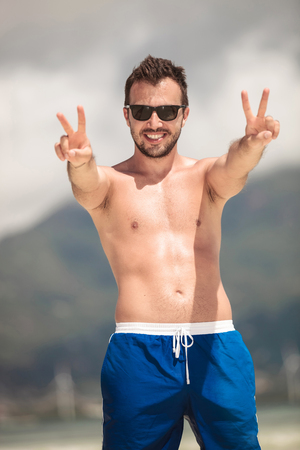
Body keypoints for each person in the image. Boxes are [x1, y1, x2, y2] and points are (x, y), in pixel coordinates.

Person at [55, 55, 280, 450]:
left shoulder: (206, 178)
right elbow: (85, 185)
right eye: (142, 111)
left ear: (184, 115)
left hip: (217, 347)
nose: (154, 123)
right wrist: (80, 162)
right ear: (127, 115)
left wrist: (252, 144)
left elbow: (235, 167)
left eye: (166, 111)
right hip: (139, 352)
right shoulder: (110, 185)